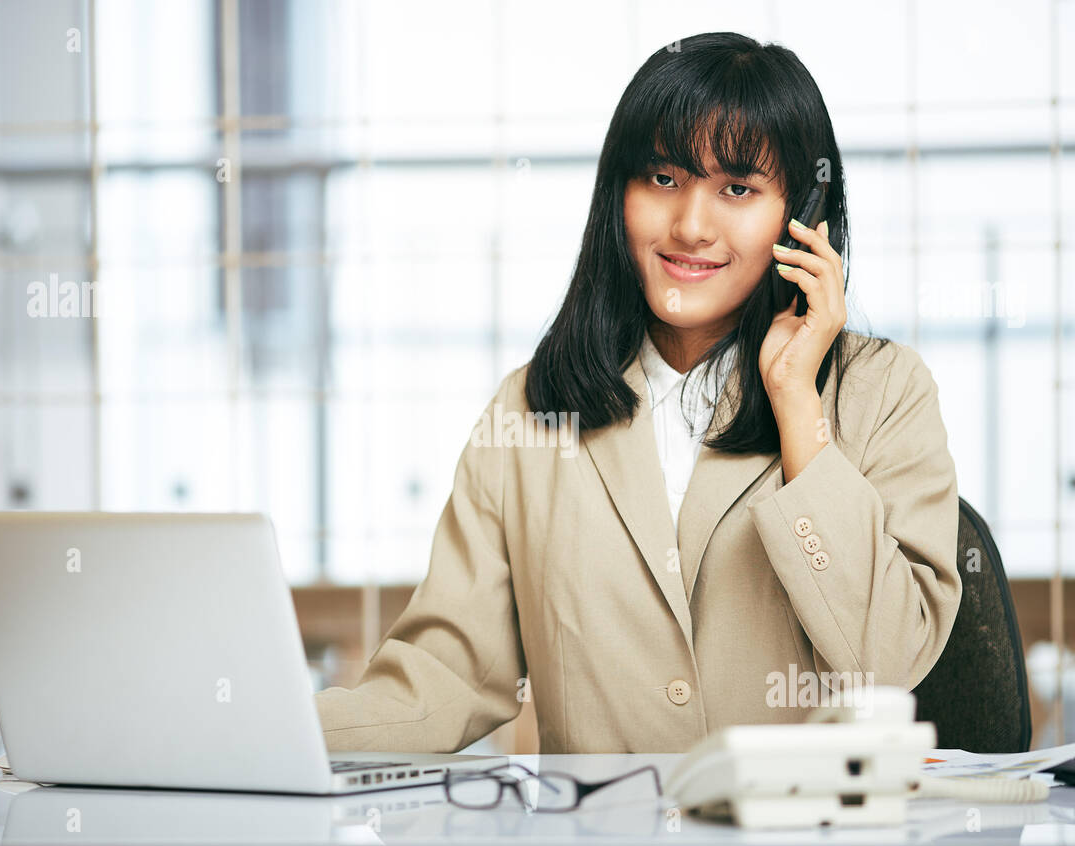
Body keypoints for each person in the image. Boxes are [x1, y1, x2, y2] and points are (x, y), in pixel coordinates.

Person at [314, 32, 962, 754]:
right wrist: (269, 734)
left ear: (802, 214)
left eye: (738, 190)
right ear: (617, 193)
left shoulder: (882, 393)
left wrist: (796, 405)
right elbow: (441, 682)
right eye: (662, 179)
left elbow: (888, 660)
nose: (689, 225)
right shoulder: (531, 410)